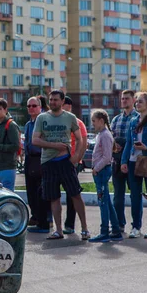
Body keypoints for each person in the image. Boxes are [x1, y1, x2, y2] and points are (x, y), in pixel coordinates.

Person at [33, 90, 89, 240]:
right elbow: (35, 140)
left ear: (62, 101)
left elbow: (79, 139)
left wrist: (76, 157)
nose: (52, 102)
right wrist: (54, 145)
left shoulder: (70, 118)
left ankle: (84, 228)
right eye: (51, 100)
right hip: (48, 163)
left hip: (65, 162)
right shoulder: (42, 118)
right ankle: (58, 230)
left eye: (56, 100)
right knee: (53, 197)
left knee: (75, 195)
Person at [120, 91, 147, 239]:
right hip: (133, 161)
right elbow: (128, 143)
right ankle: (136, 227)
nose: (137, 104)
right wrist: (124, 161)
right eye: (137, 101)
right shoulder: (133, 121)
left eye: (140, 101)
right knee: (135, 195)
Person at [88, 110, 123, 242]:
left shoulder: (105, 135)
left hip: (102, 171)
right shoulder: (101, 135)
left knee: (102, 202)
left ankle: (104, 232)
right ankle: (115, 230)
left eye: (94, 121)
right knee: (106, 201)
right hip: (100, 171)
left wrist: (96, 169)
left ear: (101, 121)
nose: (93, 124)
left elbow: (107, 157)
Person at [111, 90, 138, 232]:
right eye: (122, 99)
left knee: (135, 195)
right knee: (118, 195)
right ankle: (119, 224)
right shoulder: (116, 119)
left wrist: (126, 143)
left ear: (134, 100)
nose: (124, 101)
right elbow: (110, 137)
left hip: (133, 161)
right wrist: (115, 144)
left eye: (127, 98)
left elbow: (140, 139)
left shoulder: (139, 118)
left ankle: (136, 226)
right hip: (117, 161)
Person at [62, 96, 88, 235]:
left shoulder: (77, 122)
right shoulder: (57, 122)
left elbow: (84, 143)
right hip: (58, 161)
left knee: (72, 194)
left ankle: (70, 225)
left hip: (72, 162)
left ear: (70, 107)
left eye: (64, 105)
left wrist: (76, 159)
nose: (62, 107)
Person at [25, 96, 51, 233]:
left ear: (40, 107)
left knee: (41, 192)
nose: (31, 109)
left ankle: (45, 221)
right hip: (30, 160)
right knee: (31, 192)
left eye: (34, 106)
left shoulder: (43, 121)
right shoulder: (28, 124)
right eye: (29, 106)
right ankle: (36, 218)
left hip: (41, 158)